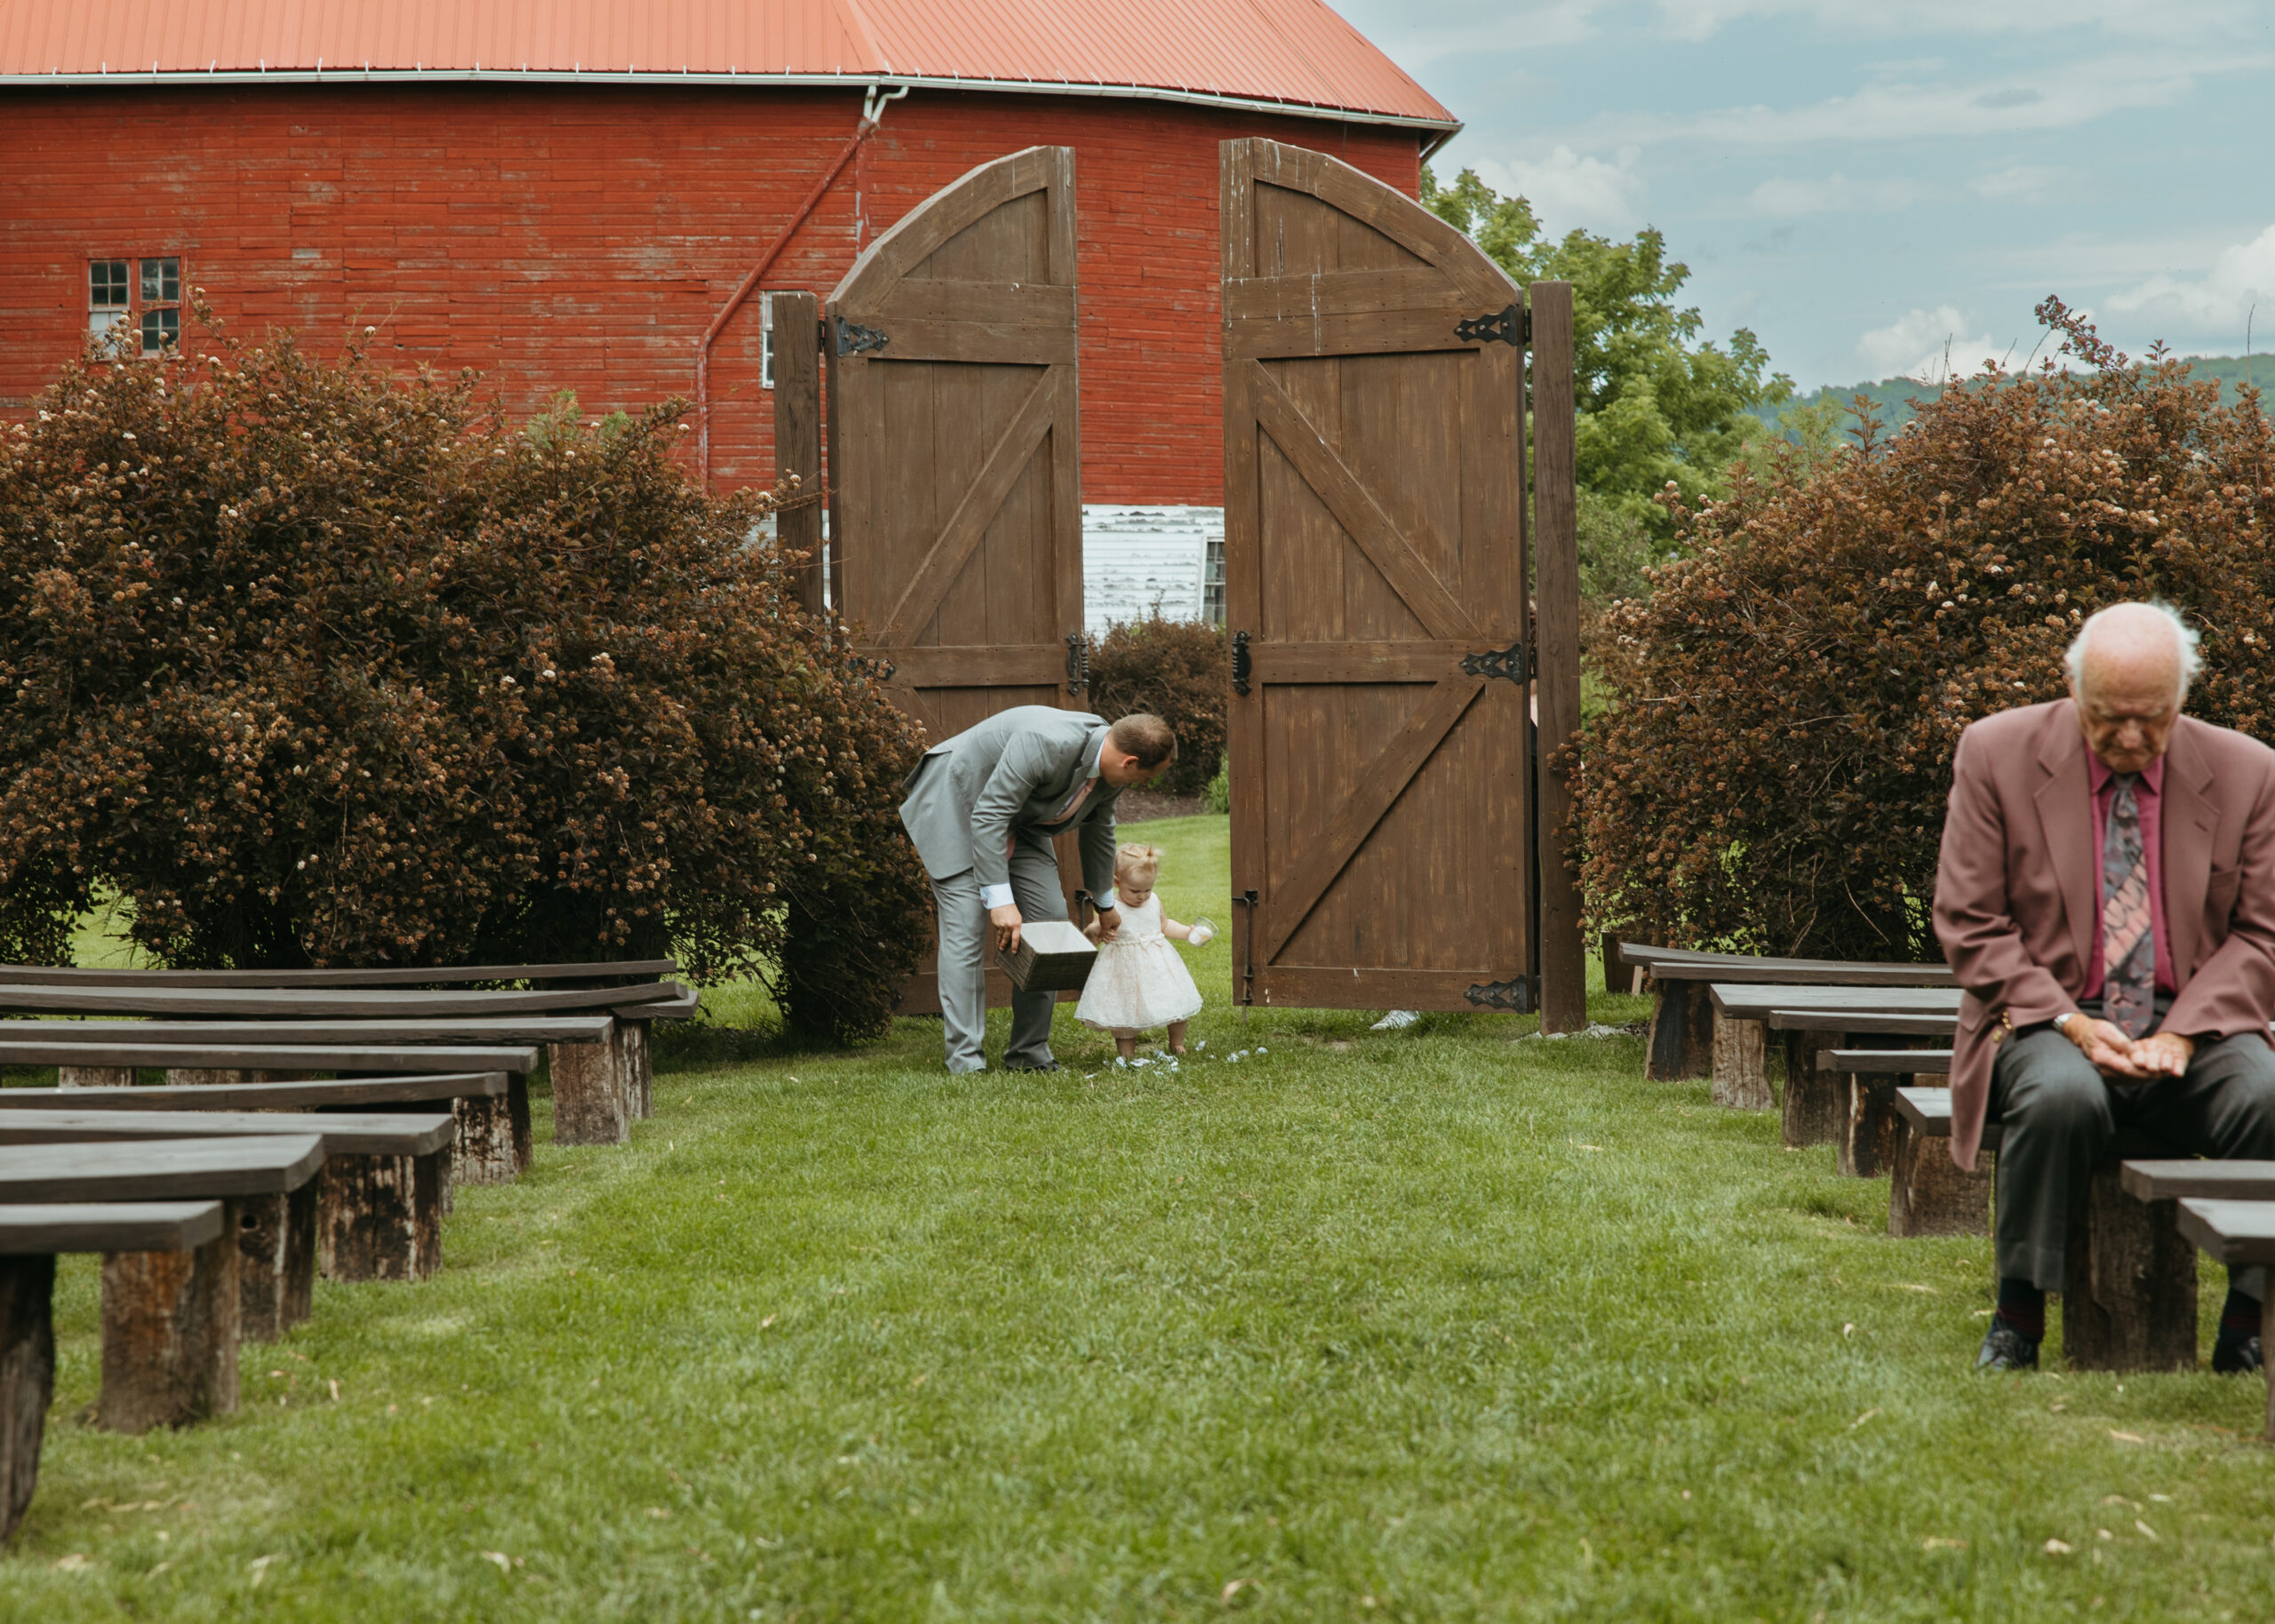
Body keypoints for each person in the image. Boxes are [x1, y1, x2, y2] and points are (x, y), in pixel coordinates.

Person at [1934, 601, 2275, 1373]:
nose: (2129, 738)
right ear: (2072, 688)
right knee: (2061, 1098)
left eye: (2151, 719)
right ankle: (2017, 1317)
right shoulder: (1995, 753)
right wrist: (2072, 1024)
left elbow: (2263, 934)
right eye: (2107, 716)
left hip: (2195, 1021)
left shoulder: (2250, 771)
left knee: (2268, 1095)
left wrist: (2182, 1032)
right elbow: (1969, 921)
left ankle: (2249, 1323)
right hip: (2045, 1017)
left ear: (2182, 699)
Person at [899, 707, 1176, 1073]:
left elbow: (1099, 829)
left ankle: (1029, 1053)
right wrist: (1000, 901)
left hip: (1018, 815)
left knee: (1050, 921)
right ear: (1129, 762)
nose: (1139, 786)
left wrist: (1105, 903)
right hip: (960, 804)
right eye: (1143, 779)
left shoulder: (1110, 767)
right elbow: (988, 816)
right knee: (966, 930)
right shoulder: (1045, 743)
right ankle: (965, 1060)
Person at [1077, 842, 1211, 1060]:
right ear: (1116, 882)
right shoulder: (1110, 909)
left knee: (1175, 1000)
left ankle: (1177, 1043)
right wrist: (1097, 930)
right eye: (1135, 891)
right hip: (1125, 970)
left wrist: (1188, 932)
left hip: (1158, 965)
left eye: (1148, 890)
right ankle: (1127, 1053)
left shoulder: (1153, 901)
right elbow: (1093, 933)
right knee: (1126, 1009)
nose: (1142, 896)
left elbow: (1164, 925)